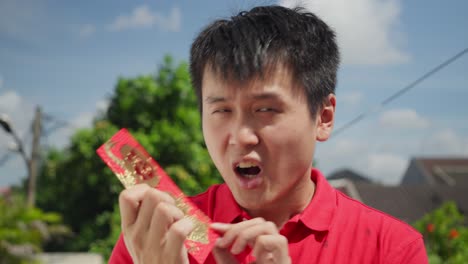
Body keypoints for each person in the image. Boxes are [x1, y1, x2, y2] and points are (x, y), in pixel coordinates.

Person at [109, 5, 428, 264]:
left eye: (265, 110)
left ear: (323, 117)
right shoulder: (151, 240)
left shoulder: (391, 249)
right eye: (221, 111)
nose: (240, 137)